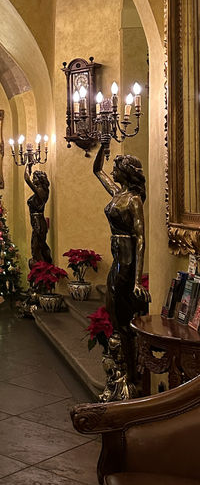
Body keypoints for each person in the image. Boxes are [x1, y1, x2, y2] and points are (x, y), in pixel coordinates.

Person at [93, 142, 149, 386]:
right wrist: (102, 145)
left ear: (126, 172)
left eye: (116, 168)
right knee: (113, 312)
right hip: (117, 259)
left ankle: (131, 375)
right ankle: (122, 369)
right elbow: (97, 170)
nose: (112, 171)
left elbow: (141, 240)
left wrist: (137, 281)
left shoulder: (134, 200)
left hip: (126, 263)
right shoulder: (118, 194)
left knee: (122, 318)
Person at [24, 165, 52, 265]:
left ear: (40, 180)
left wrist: (28, 166)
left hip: (38, 222)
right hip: (37, 221)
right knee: (38, 247)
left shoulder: (40, 191)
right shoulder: (42, 191)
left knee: (36, 248)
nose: (33, 179)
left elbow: (27, 179)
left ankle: (41, 269)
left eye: (35, 178)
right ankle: (43, 268)